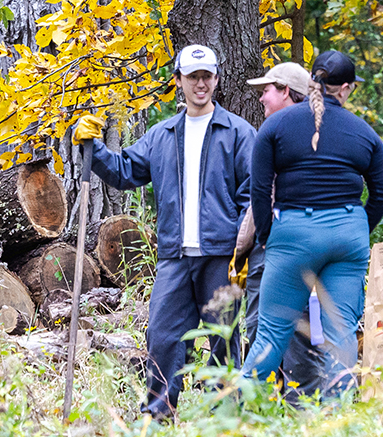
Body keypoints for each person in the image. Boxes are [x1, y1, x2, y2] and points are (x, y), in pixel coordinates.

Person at [73, 44, 257, 420]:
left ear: (217, 79)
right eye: (193, 77)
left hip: (221, 255)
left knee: (224, 337)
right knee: (163, 337)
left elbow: (251, 192)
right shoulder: (162, 135)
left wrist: (242, 240)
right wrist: (91, 146)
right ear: (179, 82)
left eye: (207, 76)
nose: (200, 84)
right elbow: (125, 171)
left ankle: (223, 416)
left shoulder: (238, 133)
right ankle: (158, 415)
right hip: (174, 257)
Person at [244, 50, 383, 399]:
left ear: (312, 82)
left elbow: (260, 187)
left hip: (293, 233)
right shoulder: (365, 133)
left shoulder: (276, 126)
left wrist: (268, 235)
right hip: (347, 234)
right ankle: (335, 422)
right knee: (340, 335)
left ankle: (233, 414)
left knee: (271, 333)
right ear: (346, 88)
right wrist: (355, 228)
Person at [235, 61, 328, 398]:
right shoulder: (307, 131)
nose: (261, 99)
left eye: (266, 91)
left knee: (283, 333)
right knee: (282, 331)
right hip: (291, 250)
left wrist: (249, 245)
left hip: (285, 249)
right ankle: (282, 411)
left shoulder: (293, 135)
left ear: (286, 91)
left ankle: (286, 412)